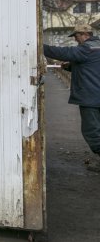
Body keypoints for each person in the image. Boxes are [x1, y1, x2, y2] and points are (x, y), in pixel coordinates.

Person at [43, 24, 100, 171]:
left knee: (91, 130)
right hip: (96, 95)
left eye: (75, 36)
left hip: (91, 97)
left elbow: (62, 52)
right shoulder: (96, 47)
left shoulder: (86, 49)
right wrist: (70, 66)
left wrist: (38, 45)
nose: (75, 40)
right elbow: (91, 66)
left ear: (83, 34)